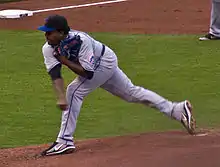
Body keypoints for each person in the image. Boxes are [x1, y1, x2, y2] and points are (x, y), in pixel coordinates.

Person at [37, 15, 196, 156]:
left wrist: (65, 61)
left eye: (49, 32)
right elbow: (55, 73)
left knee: (74, 91)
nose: (46, 35)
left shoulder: (81, 40)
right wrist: (60, 97)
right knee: (131, 93)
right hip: (100, 64)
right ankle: (176, 109)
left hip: (104, 62)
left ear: (61, 32)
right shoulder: (48, 48)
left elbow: (88, 73)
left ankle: (64, 140)